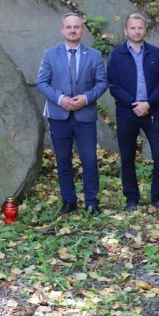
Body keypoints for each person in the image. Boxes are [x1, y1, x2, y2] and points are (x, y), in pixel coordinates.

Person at [37, 13, 108, 216]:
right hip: (59, 116)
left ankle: (92, 202)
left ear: (82, 30)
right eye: (68, 27)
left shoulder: (93, 55)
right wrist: (60, 99)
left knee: (89, 159)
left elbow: (102, 83)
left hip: (84, 116)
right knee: (63, 160)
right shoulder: (50, 54)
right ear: (62, 30)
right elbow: (42, 82)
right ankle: (69, 201)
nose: (72, 30)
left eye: (76, 27)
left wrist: (86, 98)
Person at [107, 14, 159, 212]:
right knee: (128, 156)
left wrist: (148, 103)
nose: (137, 31)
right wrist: (133, 104)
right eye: (132, 28)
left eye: (140, 28)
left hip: (152, 111)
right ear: (126, 31)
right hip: (126, 112)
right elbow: (113, 85)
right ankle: (131, 199)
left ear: (145, 30)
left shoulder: (156, 53)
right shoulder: (116, 55)